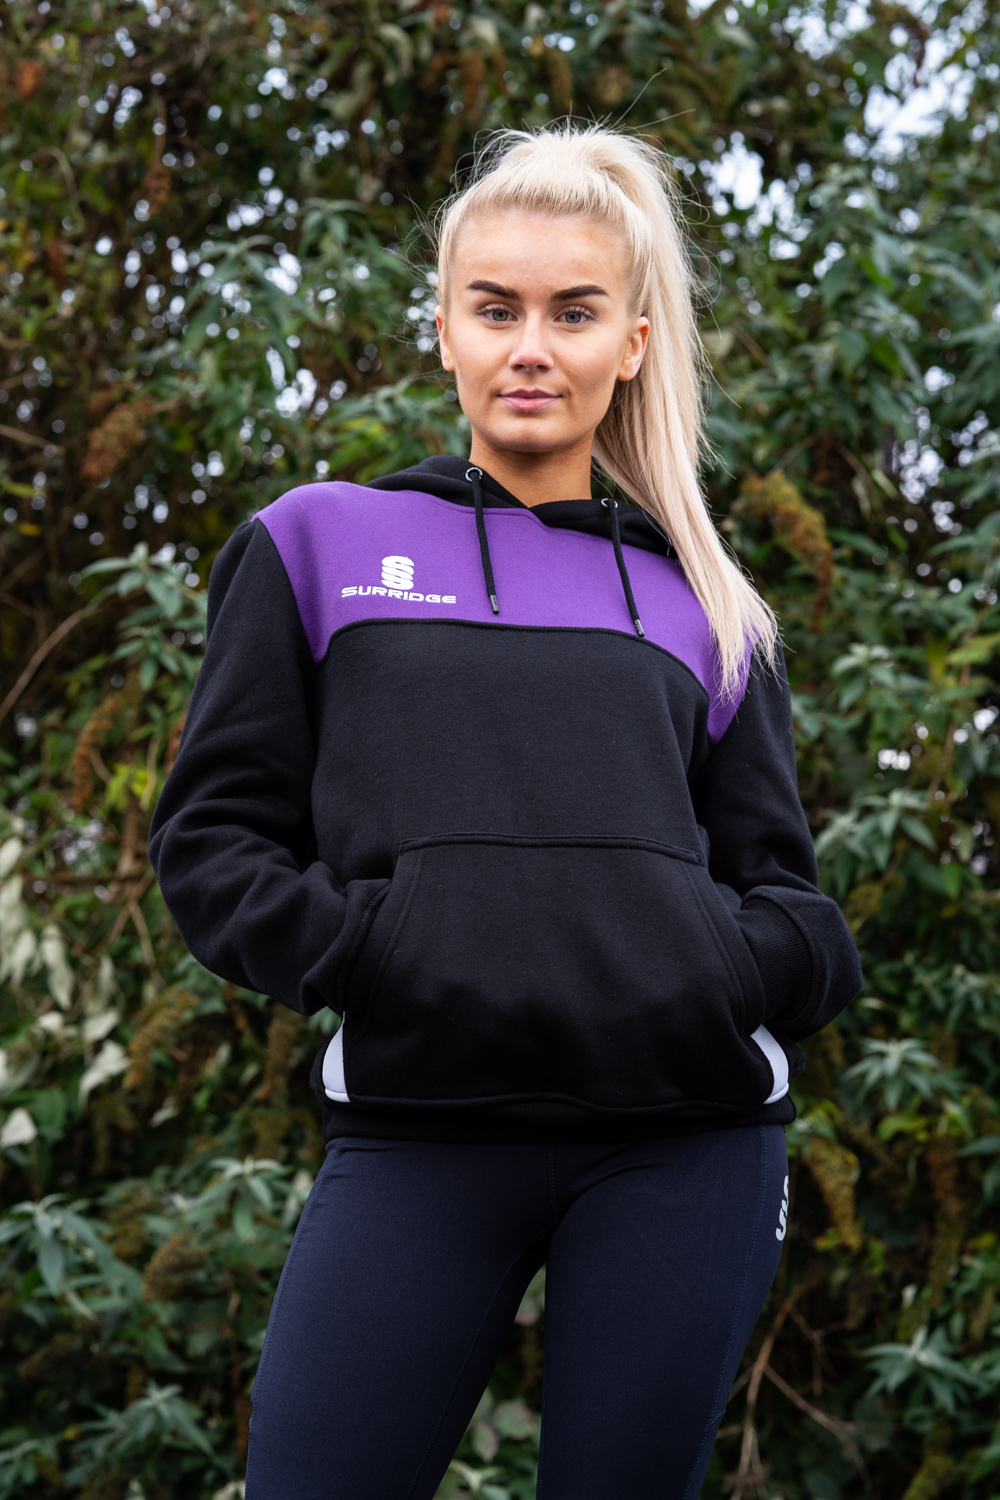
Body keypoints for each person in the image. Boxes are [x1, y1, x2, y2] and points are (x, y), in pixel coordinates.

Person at [149, 124, 861, 1499]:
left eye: (574, 313)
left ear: (633, 345)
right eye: (497, 309)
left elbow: (788, 895)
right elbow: (213, 840)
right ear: (445, 330)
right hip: (419, 1127)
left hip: (684, 1141)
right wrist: (373, 950)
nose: (532, 347)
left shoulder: (706, 601)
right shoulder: (318, 544)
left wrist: (717, 966)